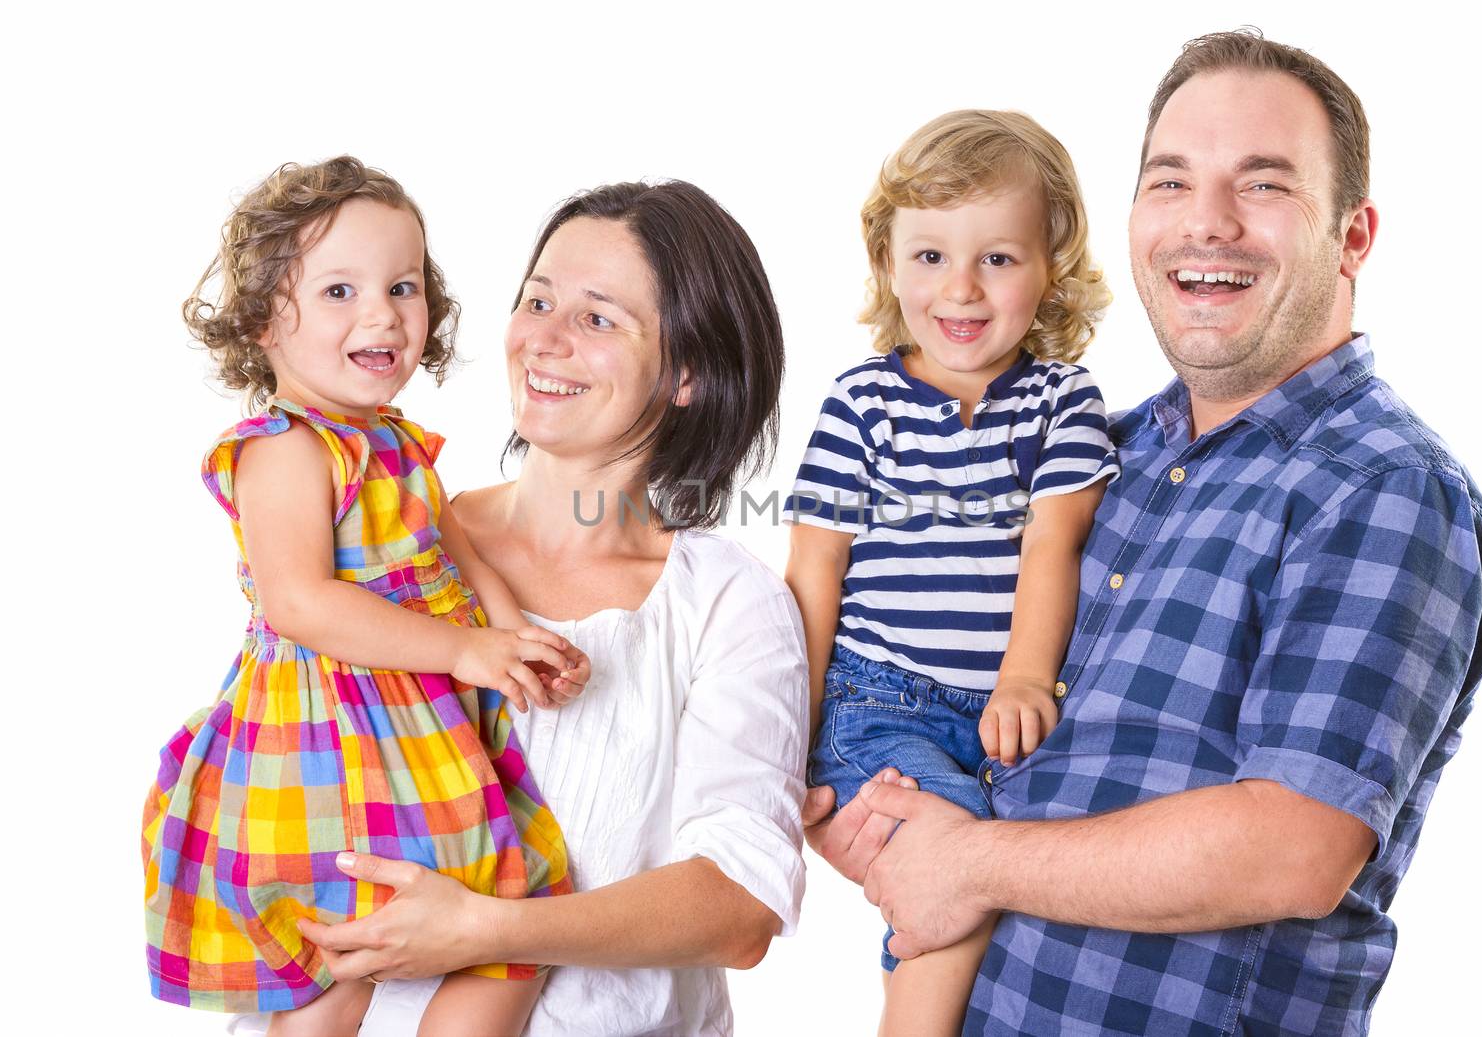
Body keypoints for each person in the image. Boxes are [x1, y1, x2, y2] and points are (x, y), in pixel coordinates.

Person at [806, 30, 1482, 1036]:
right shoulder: (1103, 455)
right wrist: (869, 806)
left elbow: (1292, 845)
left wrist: (964, 861)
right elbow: (958, 719)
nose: (1204, 223)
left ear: (1352, 237)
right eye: (1170, 182)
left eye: (1261, 184)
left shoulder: (1384, 489)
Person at [273, 180, 808, 1037]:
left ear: (687, 373)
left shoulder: (727, 603)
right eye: (538, 301)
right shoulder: (390, 541)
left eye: (599, 318)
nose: (544, 340)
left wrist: (489, 930)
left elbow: (740, 906)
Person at [142, 156, 589, 1037]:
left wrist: (511, 630)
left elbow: (454, 552)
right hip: (323, 744)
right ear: (267, 317)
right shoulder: (286, 448)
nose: (384, 312)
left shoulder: (395, 442)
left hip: (416, 733)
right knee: (339, 968)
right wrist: (465, 650)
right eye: (341, 290)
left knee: (495, 919)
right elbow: (300, 602)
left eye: (403, 286)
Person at [783, 110, 1116, 1036]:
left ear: (1052, 267)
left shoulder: (1062, 402)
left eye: (998, 259)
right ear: (889, 261)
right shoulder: (864, 402)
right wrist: (786, 735)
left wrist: (1021, 678)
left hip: (1007, 711)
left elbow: (1055, 546)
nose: (960, 289)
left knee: (1041, 871)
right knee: (955, 846)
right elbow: (814, 570)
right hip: (876, 701)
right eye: (929, 256)